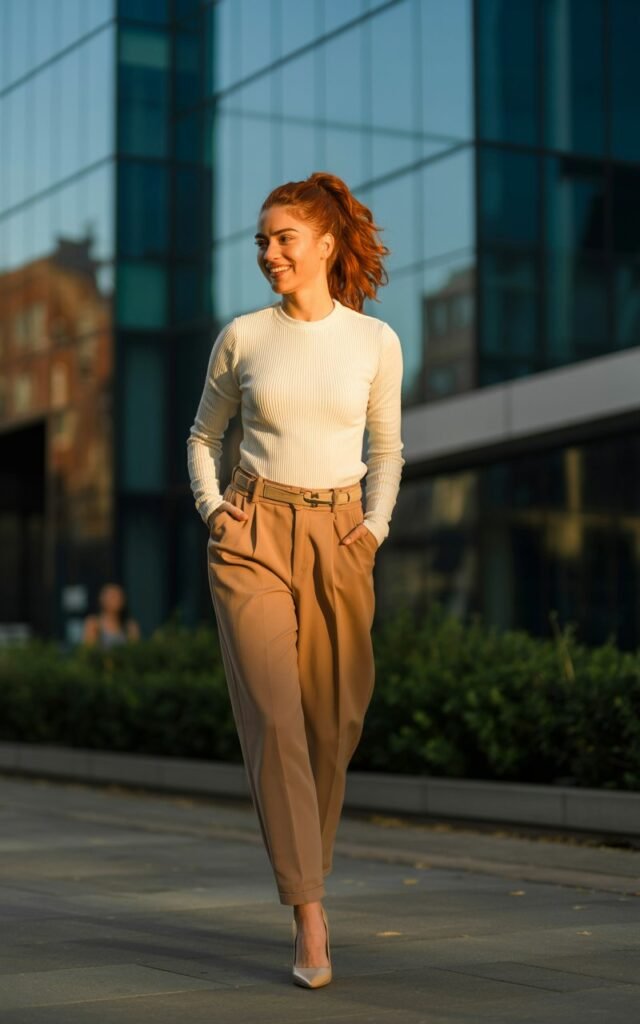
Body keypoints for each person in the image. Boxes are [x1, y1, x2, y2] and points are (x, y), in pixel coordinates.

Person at [186, 171, 404, 988]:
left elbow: (387, 450)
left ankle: (306, 868)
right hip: (252, 532)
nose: (269, 252)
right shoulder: (243, 336)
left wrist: (374, 531)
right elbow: (204, 437)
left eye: (282, 238)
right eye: (261, 241)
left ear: (325, 243)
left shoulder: (376, 342)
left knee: (333, 724)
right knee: (276, 718)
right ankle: (309, 916)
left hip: (341, 534)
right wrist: (214, 511)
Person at [82, 583, 140, 648]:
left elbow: (135, 650)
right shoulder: (94, 624)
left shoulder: (130, 626)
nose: (117, 599)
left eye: (120, 596)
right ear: (102, 600)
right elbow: (88, 651)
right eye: (113, 596)